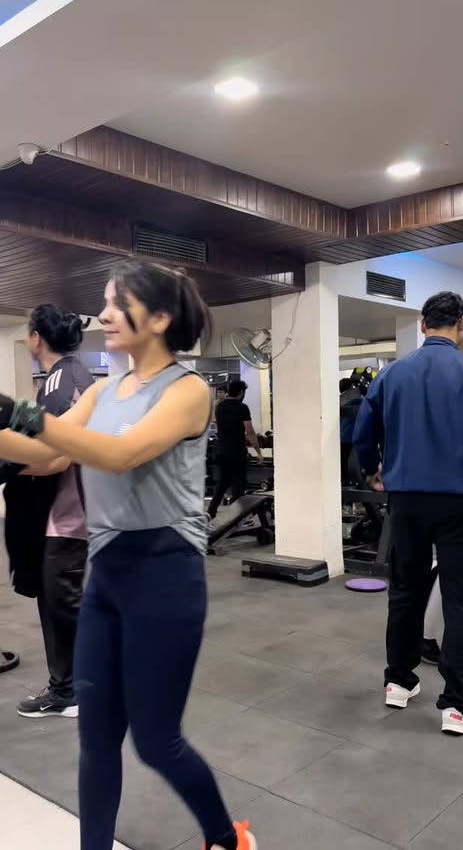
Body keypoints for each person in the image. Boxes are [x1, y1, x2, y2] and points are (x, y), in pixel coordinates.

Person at [0, 261, 256, 850]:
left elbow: (118, 455)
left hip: (165, 576)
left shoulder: (188, 392)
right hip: (107, 575)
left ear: (160, 318)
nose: (104, 315)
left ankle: (227, 837)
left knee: (155, 741)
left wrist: (21, 413)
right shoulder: (102, 390)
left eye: (118, 304)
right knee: (95, 739)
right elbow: (52, 455)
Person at [353, 291, 463, 735]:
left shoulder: (392, 374)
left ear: (423, 325)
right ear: (460, 328)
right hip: (462, 503)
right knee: (461, 599)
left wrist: (372, 470)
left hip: (406, 500)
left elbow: (364, 433)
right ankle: (458, 705)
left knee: (405, 591)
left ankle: (399, 681)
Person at [3, 305, 93, 718]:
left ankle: (68, 692)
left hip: (66, 515)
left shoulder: (61, 382)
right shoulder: (70, 377)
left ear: (37, 337)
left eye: (27, 332)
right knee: (60, 603)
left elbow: (56, 458)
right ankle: (72, 686)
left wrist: (8, 468)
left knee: (61, 605)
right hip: (66, 513)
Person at [207, 380, 263, 521]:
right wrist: (258, 451)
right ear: (241, 392)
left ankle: (211, 512)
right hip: (237, 452)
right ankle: (236, 517)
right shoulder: (242, 407)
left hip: (222, 451)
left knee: (222, 482)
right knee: (239, 484)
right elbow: (250, 432)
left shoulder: (220, 407)